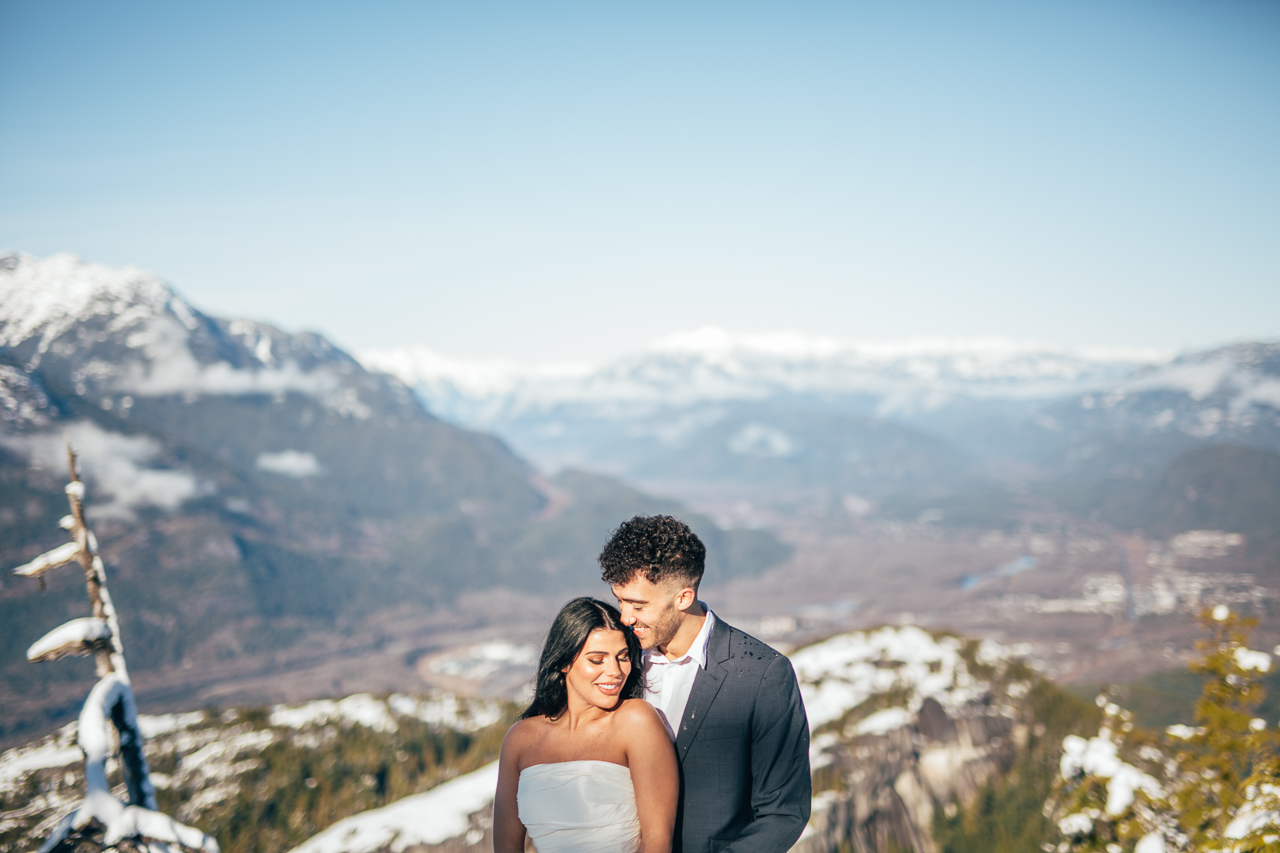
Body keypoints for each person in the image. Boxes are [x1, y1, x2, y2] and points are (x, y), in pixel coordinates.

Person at [600, 515, 811, 853]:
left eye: (638, 605)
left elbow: (783, 812)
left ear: (683, 597)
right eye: (620, 600)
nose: (624, 617)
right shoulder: (616, 661)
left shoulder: (763, 674)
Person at [494, 597, 678, 853]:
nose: (615, 671)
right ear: (564, 662)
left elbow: (657, 842)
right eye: (597, 659)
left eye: (622, 657)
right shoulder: (521, 739)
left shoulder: (636, 721)